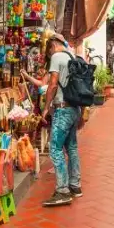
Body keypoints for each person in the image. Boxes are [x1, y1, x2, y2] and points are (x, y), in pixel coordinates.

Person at [39, 33, 82, 207]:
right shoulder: (72, 55)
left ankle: (62, 190)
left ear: (52, 46)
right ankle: (75, 185)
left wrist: (46, 107)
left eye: (48, 52)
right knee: (71, 147)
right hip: (74, 108)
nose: (49, 56)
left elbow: (53, 84)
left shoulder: (57, 56)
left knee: (55, 149)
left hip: (62, 109)